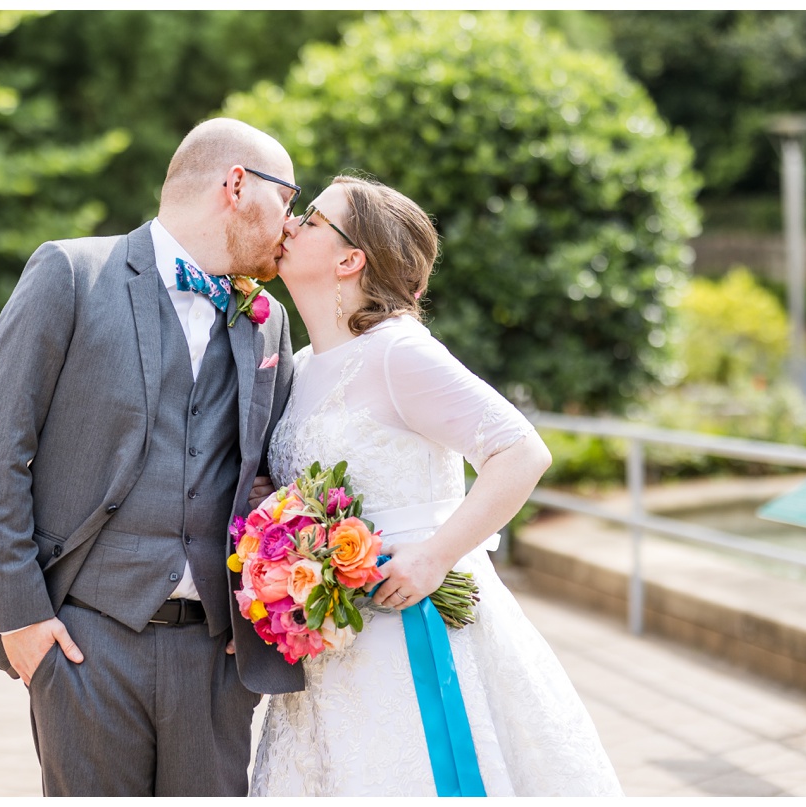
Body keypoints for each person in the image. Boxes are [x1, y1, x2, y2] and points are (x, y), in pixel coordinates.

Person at [0, 117, 306, 797]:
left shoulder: (269, 319)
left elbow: (268, 476)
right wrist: (21, 619)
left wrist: (261, 616)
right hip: (86, 640)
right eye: (287, 197)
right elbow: (0, 451)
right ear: (236, 184)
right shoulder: (70, 272)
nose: (291, 222)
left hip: (215, 658)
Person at [249, 175, 624, 796]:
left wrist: (433, 557)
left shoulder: (399, 353)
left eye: (311, 219)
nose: (290, 224)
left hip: (412, 629)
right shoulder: (303, 367)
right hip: (327, 645)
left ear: (351, 258)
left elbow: (521, 451)